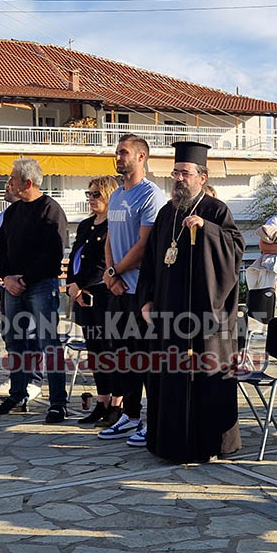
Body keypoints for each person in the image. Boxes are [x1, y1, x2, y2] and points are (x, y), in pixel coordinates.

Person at [138, 141, 245, 462]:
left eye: (185, 173)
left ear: (202, 176)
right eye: (175, 173)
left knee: (202, 378)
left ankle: (206, 444)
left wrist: (207, 230)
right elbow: (151, 260)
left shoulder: (216, 210)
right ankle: (168, 443)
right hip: (167, 313)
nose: (179, 179)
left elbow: (235, 250)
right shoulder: (166, 213)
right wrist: (146, 299)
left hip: (203, 316)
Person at [0, 158, 69, 423]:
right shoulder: (12, 212)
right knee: (14, 341)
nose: (9, 182)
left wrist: (24, 278)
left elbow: (53, 254)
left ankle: (58, 403)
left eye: (13, 178)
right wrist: (7, 277)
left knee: (48, 343)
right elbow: (0, 249)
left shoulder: (50, 209)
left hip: (41, 286)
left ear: (28, 183)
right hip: (12, 287)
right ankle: (17, 394)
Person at [99, 134, 167, 444]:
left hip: (141, 291)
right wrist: (110, 274)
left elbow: (145, 244)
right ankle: (130, 415)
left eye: (124, 152)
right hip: (118, 289)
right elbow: (110, 238)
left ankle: (153, 421)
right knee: (123, 357)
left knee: (145, 358)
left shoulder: (150, 195)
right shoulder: (115, 196)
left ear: (141, 157)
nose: (118, 157)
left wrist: (117, 271)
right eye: (117, 152)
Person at [69, 175, 119, 427]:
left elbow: (103, 263)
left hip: (104, 295)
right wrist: (73, 285)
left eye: (96, 194)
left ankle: (116, 405)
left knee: (110, 351)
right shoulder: (86, 225)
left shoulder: (113, 224)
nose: (91, 198)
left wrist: (79, 284)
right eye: (88, 194)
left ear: (109, 194)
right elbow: (75, 255)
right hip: (84, 296)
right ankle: (101, 401)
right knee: (95, 352)